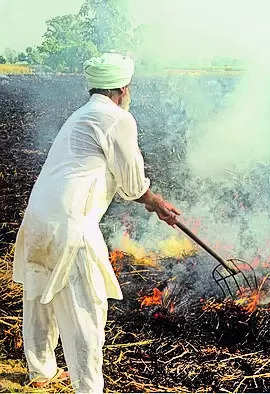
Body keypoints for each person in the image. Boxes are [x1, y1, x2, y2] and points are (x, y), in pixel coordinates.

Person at [12, 53, 180, 392]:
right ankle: (88, 388)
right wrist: (157, 203)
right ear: (122, 88)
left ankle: (40, 374)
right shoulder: (117, 118)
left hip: (38, 218)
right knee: (86, 309)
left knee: (41, 296)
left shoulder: (80, 115)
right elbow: (133, 184)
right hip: (71, 225)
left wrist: (150, 201)